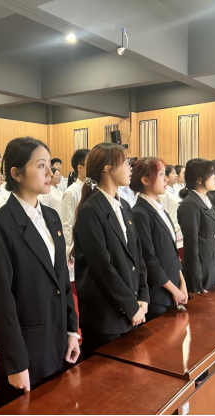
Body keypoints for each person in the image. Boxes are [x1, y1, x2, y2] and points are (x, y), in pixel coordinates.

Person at [0, 137, 79, 396]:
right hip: (27, 350)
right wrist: (16, 362)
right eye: (41, 165)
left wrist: (72, 330)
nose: (50, 172)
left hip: (58, 339)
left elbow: (62, 279)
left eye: (50, 165)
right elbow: (0, 301)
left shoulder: (52, 217)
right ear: (16, 173)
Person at [73, 143, 148, 357]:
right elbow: (102, 268)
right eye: (125, 162)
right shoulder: (91, 210)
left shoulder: (124, 206)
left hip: (131, 309)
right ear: (108, 168)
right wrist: (131, 306)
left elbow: (137, 256)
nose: (130, 167)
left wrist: (143, 295)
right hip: (106, 317)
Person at [131, 158, 186, 322]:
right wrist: (174, 290)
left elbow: (172, 251)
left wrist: (182, 282)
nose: (166, 179)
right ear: (145, 180)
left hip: (173, 288)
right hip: (158, 294)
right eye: (161, 174)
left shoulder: (160, 209)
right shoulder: (140, 213)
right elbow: (149, 259)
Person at [178, 159, 215, 295]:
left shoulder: (206, 199)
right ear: (199, 179)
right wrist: (195, 284)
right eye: (211, 174)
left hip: (211, 268)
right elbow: (191, 246)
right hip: (201, 272)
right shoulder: (190, 204)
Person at [62, 149, 90, 251]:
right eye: (90, 163)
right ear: (80, 167)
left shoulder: (94, 188)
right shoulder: (72, 192)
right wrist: (70, 249)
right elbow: (67, 223)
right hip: (79, 245)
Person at [160, 165, 182, 233]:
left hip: (179, 226)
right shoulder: (163, 193)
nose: (176, 175)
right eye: (173, 173)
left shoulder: (177, 189)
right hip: (172, 227)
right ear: (166, 175)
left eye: (176, 173)